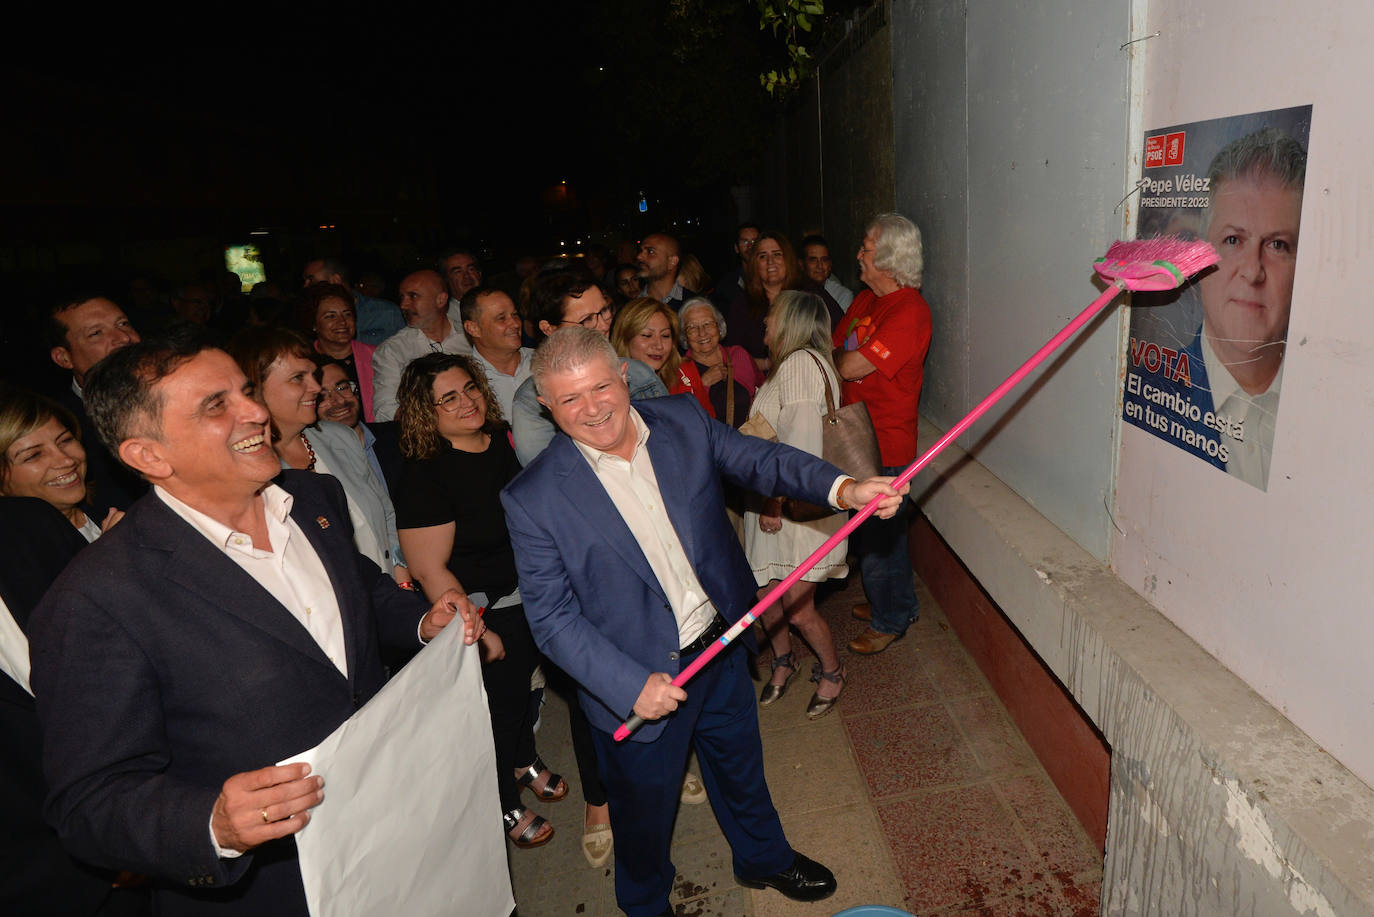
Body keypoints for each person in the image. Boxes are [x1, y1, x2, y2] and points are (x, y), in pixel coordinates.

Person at [28, 334, 482, 915]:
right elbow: (90, 803)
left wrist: (423, 620)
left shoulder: (314, 497)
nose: (256, 412)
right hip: (277, 887)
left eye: (245, 391)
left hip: (400, 832)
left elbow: (361, 589)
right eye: (216, 405)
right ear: (148, 455)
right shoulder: (96, 599)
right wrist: (212, 821)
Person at [501, 327, 908, 917]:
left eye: (599, 387)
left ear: (622, 375)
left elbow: (762, 460)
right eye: (569, 400)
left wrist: (843, 487)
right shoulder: (533, 497)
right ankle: (645, 905)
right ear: (546, 405)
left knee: (742, 769)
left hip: (723, 644)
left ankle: (763, 858)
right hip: (638, 683)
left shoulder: (682, 420)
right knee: (644, 814)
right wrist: (629, 686)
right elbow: (552, 620)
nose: (592, 409)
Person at [392, 353, 567, 850]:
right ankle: (502, 804)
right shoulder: (427, 474)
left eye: (469, 388)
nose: (466, 401)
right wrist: (477, 628)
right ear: (425, 411)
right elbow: (429, 569)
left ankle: (525, 761)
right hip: (488, 610)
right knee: (498, 710)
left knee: (523, 696)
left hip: (531, 592)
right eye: (448, 397)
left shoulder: (501, 438)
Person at [1, 496, 150, 916]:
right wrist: (91, 866)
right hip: (44, 888)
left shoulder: (28, 523)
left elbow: (132, 658)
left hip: (149, 840)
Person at [741, 291, 849, 718]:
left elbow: (801, 448)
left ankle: (834, 671)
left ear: (790, 321)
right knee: (766, 595)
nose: (765, 320)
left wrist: (773, 500)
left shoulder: (802, 365)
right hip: (773, 503)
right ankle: (783, 663)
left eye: (772, 314)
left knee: (799, 607)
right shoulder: (790, 365)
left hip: (793, 508)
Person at [228, 327, 405, 582]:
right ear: (255, 389)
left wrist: (403, 582)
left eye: (313, 375)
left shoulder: (339, 437)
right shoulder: (250, 473)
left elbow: (387, 516)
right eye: (298, 378)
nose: (315, 387)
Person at [834, 213, 933, 655]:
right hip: (857, 435)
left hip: (887, 442)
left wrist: (846, 357)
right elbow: (831, 348)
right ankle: (896, 602)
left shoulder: (909, 310)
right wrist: (844, 356)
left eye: (866, 248)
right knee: (871, 536)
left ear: (890, 258)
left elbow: (849, 363)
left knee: (880, 542)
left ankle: (890, 618)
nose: (858, 254)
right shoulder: (863, 300)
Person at [1189, 127, 1305, 488]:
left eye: (1278, 245)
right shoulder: (1148, 391)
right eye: (1233, 240)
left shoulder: (1341, 412)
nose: (1253, 271)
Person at [509, 267, 667, 465]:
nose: (603, 325)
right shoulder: (530, 401)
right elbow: (550, 477)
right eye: (587, 319)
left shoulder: (640, 374)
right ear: (548, 328)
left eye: (604, 311)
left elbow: (671, 448)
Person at [45, 293, 147, 516]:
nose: (123, 338)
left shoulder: (176, 395)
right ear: (64, 358)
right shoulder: (58, 430)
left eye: (123, 324)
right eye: (96, 333)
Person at [0, 387, 122, 542]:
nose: (67, 460)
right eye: (34, 455)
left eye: (65, 440)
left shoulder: (119, 496)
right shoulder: (15, 555)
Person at [720, 231, 843, 370]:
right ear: (755, 265)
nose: (770, 261)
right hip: (761, 383)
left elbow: (840, 334)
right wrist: (767, 364)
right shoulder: (743, 304)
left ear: (788, 259)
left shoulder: (810, 295)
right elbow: (731, 356)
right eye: (762, 256)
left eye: (777, 254)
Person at [370, 269, 473, 421]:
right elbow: (385, 411)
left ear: (440, 300)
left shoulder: (470, 335)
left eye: (413, 296)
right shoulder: (392, 350)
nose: (404, 305)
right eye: (402, 297)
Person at [312, 358, 402, 497]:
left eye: (343, 388)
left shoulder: (400, 437)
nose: (340, 400)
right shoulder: (315, 463)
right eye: (322, 395)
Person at [676, 297, 761, 428]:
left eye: (708, 324)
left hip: (749, 441)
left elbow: (766, 387)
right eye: (692, 327)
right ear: (684, 336)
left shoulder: (738, 355)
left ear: (719, 327)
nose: (702, 333)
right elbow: (680, 417)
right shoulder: (680, 371)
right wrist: (702, 384)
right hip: (710, 446)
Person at [301, 282, 378, 422]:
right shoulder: (305, 363)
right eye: (330, 316)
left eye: (347, 314)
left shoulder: (378, 356)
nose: (342, 322)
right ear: (314, 324)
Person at [460, 285, 533, 420]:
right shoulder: (466, 381)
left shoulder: (544, 360)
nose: (515, 324)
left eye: (515, 315)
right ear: (473, 328)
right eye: (501, 318)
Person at [303, 257, 403, 346]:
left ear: (335, 279)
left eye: (311, 279)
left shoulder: (387, 313)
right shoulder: (310, 316)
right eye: (331, 316)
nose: (306, 286)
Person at [610, 297, 682, 390]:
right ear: (626, 338)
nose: (659, 346)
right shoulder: (611, 389)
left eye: (665, 335)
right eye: (647, 335)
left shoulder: (684, 377)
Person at [636, 232, 697, 311]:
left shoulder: (694, 305)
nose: (639, 257)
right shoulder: (632, 308)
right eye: (640, 251)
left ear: (672, 262)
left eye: (650, 252)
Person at [800, 234, 854, 311]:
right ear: (801, 264)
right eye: (813, 260)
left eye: (824, 259)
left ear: (830, 264)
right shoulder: (793, 291)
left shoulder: (842, 295)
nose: (820, 265)